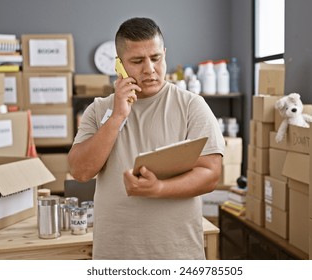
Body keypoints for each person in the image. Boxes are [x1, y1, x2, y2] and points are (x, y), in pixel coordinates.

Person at [68, 17, 225, 260]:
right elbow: (80, 171)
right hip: (115, 253)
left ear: (164, 54)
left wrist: (159, 188)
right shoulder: (98, 110)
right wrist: (117, 116)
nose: (150, 69)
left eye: (155, 58)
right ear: (119, 66)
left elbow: (210, 174)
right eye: (137, 61)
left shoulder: (192, 105)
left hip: (176, 253)